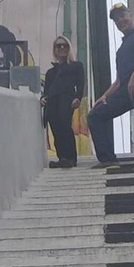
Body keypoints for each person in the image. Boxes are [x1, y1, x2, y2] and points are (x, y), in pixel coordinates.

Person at [87, 3, 134, 169]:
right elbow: (119, 81)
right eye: (116, 19)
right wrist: (105, 96)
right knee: (95, 115)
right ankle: (108, 160)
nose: (120, 20)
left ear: (130, 15)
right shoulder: (121, 50)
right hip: (125, 89)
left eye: (122, 16)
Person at [41, 35, 85, 168]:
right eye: (58, 46)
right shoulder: (50, 72)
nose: (61, 48)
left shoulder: (76, 66)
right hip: (52, 101)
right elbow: (47, 90)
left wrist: (78, 97)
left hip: (66, 98)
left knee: (64, 124)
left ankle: (71, 157)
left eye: (64, 45)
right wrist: (43, 98)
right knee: (55, 128)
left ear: (69, 48)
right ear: (54, 50)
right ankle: (62, 157)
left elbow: (81, 84)